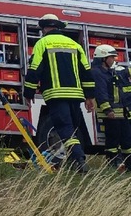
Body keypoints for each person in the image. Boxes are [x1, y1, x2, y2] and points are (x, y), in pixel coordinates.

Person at [24, 13, 94, 173]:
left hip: (56, 95)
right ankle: (75, 162)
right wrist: (90, 96)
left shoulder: (43, 43)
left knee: (65, 129)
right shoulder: (75, 45)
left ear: (45, 28)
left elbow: (34, 69)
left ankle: (80, 160)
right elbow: (86, 72)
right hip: (76, 95)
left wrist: (28, 92)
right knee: (72, 129)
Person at [90, 44, 131, 172]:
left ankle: (130, 166)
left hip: (120, 112)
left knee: (127, 139)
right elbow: (101, 93)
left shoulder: (108, 71)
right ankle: (112, 165)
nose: (114, 59)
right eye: (111, 57)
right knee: (113, 141)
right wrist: (108, 110)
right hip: (111, 113)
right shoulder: (97, 73)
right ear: (103, 58)